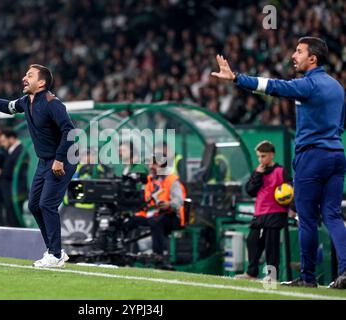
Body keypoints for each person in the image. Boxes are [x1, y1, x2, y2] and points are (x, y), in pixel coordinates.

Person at [211, 37, 346, 289]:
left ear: (313, 58)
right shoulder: (337, 87)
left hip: (312, 156)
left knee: (306, 219)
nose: (293, 56)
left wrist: (237, 78)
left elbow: (272, 86)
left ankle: (307, 279)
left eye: (299, 51)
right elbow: (340, 123)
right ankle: (345, 272)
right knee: (333, 215)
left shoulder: (308, 84)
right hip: (337, 154)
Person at [0, 64, 76, 268]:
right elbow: (8, 106)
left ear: (41, 82)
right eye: (25, 74)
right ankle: (55, 250)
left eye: (30, 75)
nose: (24, 78)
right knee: (34, 205)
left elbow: (70, 131)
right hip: (45, 162)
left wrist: (60, 159)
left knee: (47, 205)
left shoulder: (53, 103)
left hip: (63, 160)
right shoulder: (26, 101)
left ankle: (55, 253)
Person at [236, 141, 291, 280]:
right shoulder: (258, 171)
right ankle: (251, 273)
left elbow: (290, 189)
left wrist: (293, 208)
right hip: (260, 212)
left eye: (263, 156)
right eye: (259, 156)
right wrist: (257, 175)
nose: (261, 159)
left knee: (271, 246)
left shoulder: (281, 171)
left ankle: (272, 275)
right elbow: (250, 191)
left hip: (276, 212)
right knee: (252, 241)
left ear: (271, 155)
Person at [126, 152, 186, 267]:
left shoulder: (172, 180)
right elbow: (146, 200)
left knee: (157, 221)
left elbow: (179, 202)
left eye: (154, 163)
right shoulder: (149, 180)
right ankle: (124, 252)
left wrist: (169, 204)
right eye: (150, 163)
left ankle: (158, 255)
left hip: (173, 217)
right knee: (132, 220)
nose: (150, 166)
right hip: (154, 214)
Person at [0, 129, 28, 227]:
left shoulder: (21, 152)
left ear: (11, 138)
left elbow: (16, 172)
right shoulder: (10, 152)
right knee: (10, 219)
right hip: (9, 192)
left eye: (3, 141)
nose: (2, 145)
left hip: (16, 192)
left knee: (15, 220)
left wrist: (0, 173)